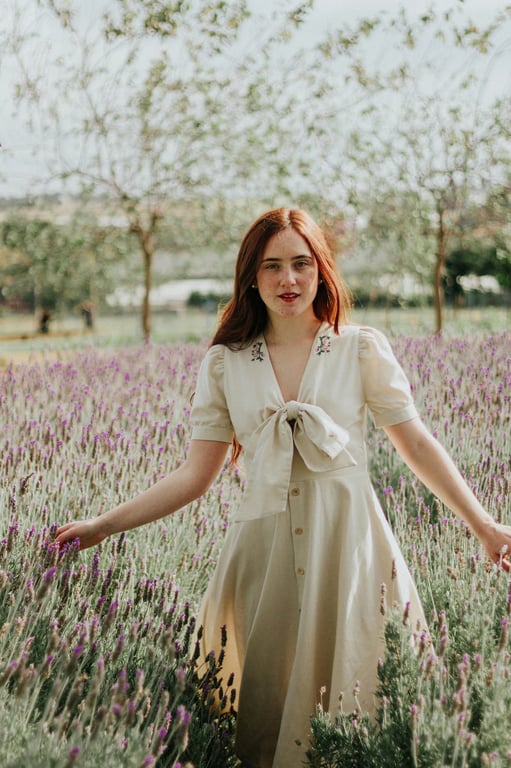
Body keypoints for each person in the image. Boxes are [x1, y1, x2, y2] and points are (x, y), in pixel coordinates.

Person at [56, 208, 511, 768]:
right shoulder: (225, 364)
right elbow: (195, 476)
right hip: (263, 563)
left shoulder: (358, 348)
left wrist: (484, 525)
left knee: (364, 714)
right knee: (263, 727)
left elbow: (415, 445)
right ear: (251, 276)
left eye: (301, 264)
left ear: (321, 270)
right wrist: (102, 525)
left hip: (347, 555)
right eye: (271, 266)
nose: (287, 280)